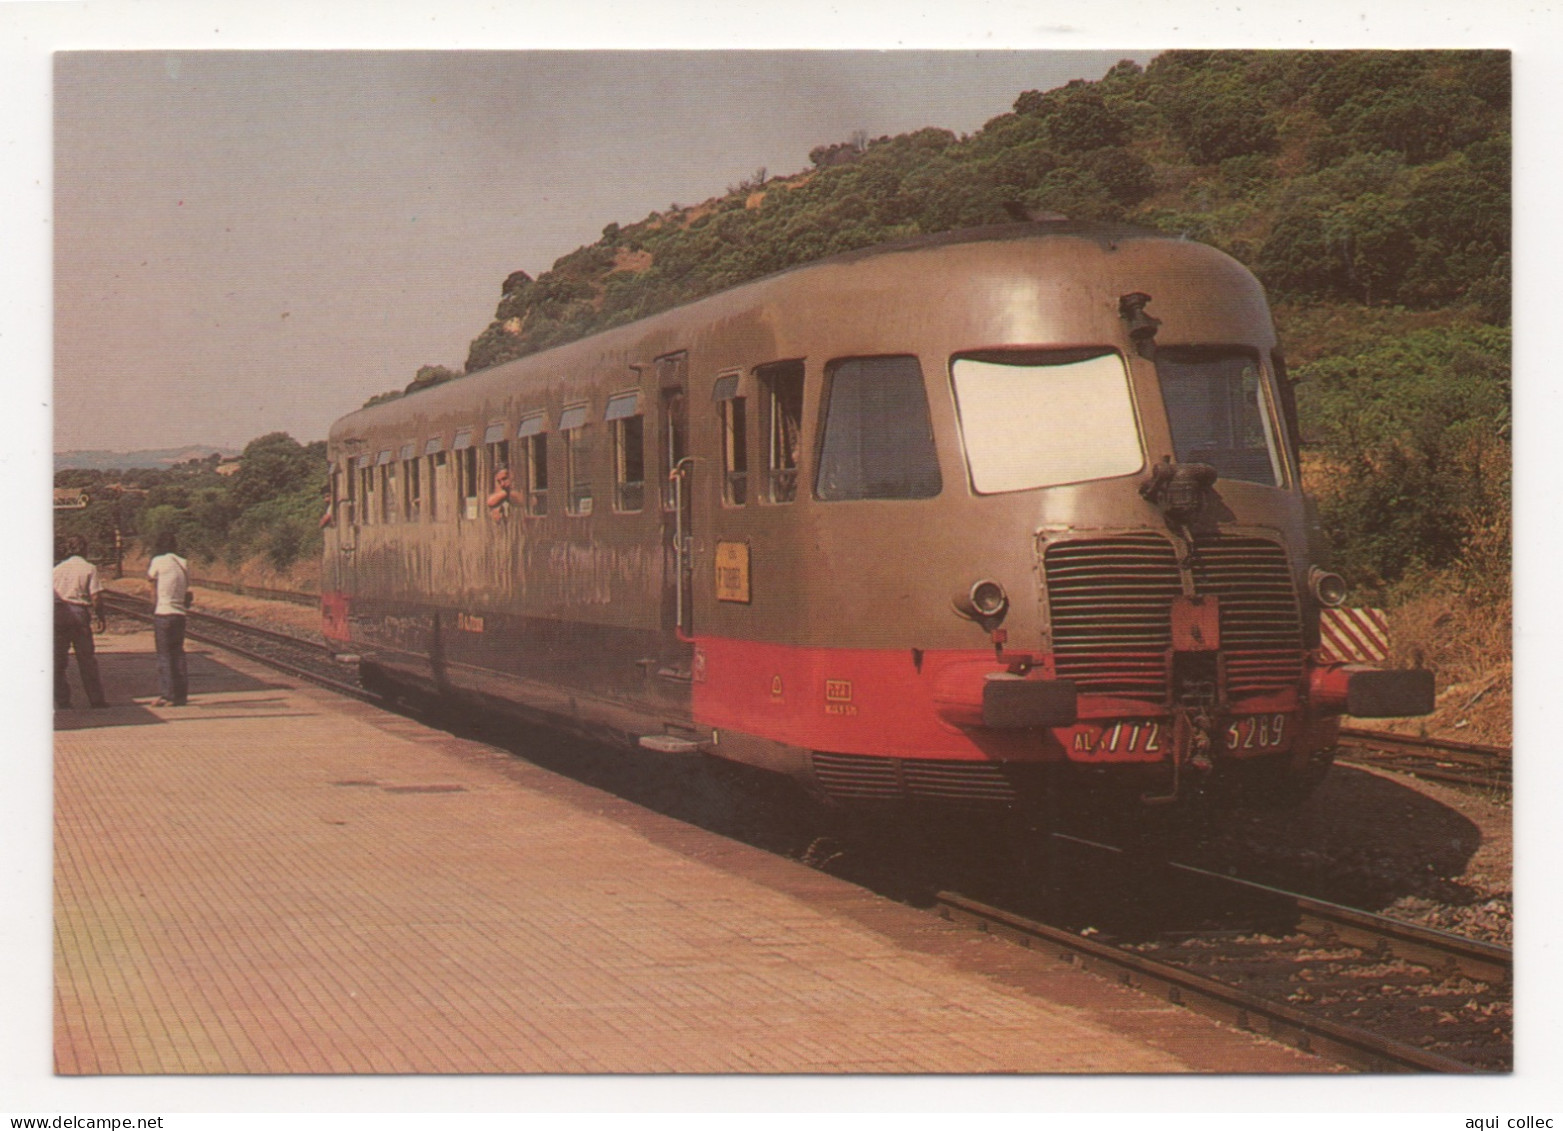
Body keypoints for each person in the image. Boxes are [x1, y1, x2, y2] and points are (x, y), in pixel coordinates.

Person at [53, 536, 107, 708]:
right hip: (79, 614)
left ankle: (62, 700)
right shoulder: (89, 568)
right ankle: (96, 700)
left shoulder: (57, 569)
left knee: (58, 660)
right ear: (84, 549)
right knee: (86, 659)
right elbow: (96, 597)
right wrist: (100, 616)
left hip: (59, 613)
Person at [145, 531, 191, 707]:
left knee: (164, 655)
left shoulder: (158, 561)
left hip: (163, 613)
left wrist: (152, 604)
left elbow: (151, 584)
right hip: (179, 614)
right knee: (178, 653)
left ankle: (167, 695)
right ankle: (181, 695)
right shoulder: (183, 563)